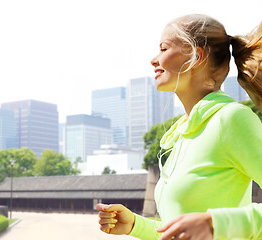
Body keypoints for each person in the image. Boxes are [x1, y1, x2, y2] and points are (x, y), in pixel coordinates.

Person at [96, 14, 262, 240]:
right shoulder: (183, 132)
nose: (154, 60)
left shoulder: (231, 119)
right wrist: (135, 225)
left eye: (163, 49)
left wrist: (217, 224)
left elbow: (207, 226)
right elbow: (181, 229)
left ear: (196, 57)